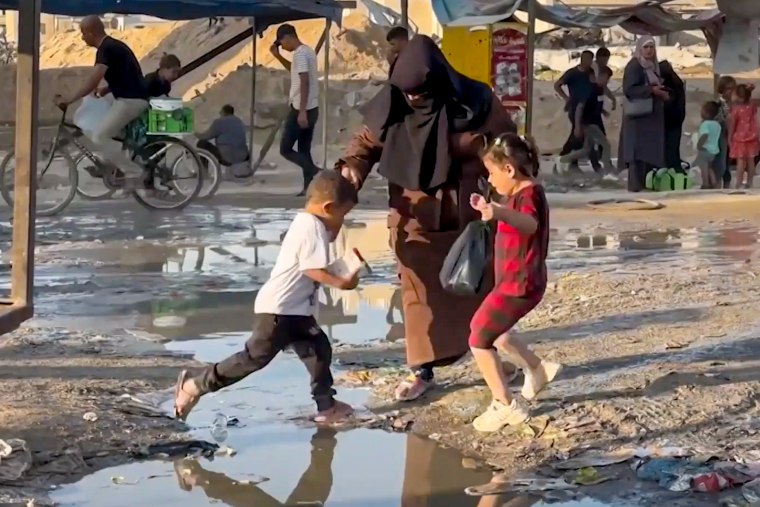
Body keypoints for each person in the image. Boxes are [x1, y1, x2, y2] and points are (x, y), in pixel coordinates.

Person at [337, 35, 517, 401]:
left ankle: (496, 361)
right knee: (418, 296)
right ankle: (421, 371)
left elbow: (508, 145)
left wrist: (506, 186)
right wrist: (353, 169)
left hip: (467, 216)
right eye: (408, 94)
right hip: (412, 216)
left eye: (421, 93)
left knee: (478, 290)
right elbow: (364, 145)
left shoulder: (476, 101)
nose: (414, 100)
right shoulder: (394, 103)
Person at [173, 171, 359, 423]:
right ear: (328, 207)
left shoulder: (309, 223)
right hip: (279, 311)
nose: (342, 221)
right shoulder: (311, 227)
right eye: (343, 214)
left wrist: (334, 233)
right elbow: (311, 269)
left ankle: (326, 407)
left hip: (297, 311)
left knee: (319, 350)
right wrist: (342, 282)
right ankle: (195, 384)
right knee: (253, 358)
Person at [468, 134, 561, 432]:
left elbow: (529, 224)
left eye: (493, 173)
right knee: (499, 334)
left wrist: (498, 211)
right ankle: (537, 368)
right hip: (512, 283)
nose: (491, 181)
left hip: (519, 285)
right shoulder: (514, 197)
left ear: (509, 169)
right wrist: (491, 210)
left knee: (478, 338)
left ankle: (505, 405)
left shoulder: (530, 195)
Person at [55, 16, 149, 186]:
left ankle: (134, 173)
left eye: (83, 33)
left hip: (131, 100)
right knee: (106, 130)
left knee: (99, 136)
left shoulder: (106, 49)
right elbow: (127, 75)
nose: (82, 37)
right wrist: (106, 89)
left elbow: (93, 79)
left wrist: (70, 99)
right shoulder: (112, 46)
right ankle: (115, 165)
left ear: (91, 32)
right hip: (129, 96)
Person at [270, 23, 320, 195]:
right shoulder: (307, 51)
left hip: (301, 107)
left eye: (281, 42)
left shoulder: (300, 54)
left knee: (286, 149)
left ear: (288, 37)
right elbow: (295, 72)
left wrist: (302, 111)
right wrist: (277, 56)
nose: (282, 47)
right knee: (304, 149)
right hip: (312, 106)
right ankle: (309, 188)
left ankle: (316, 172)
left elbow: (304, 81)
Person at [619, 35, 668, 192]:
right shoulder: (635, 66)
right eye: (645, 47)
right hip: (637, 117)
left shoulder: (652, 66)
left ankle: (644, 184)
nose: (648, 51)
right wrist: (651, 90)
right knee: (635, 153)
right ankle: (634, 186)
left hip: (649, 117)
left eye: (651, 47)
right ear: (640, 48)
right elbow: (629, 89)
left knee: (647, 152)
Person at [558, 66, 615, 174]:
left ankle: (563, 160)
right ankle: (608, 171)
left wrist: (603, 111)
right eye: (606, 78)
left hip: (592, 123)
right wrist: (578, 126)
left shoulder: (599, 90)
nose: (607, 82)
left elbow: (594, 105)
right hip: (588, 124)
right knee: (606, 145)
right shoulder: (590, 90)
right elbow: (580, 107)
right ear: (599, 76)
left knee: (587, 149)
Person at [554, 50, 595, 172]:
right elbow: (557, 85)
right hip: (576, 106)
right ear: (582, 59)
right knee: (577, 133)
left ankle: (569, 159)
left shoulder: (590, 72)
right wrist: (566, 98)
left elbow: (594, 85)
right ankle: (566, 158)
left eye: (590, 60)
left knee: (579, 135)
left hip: (587, 107)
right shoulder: (572, 73)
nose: (588, 62)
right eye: (586, 59)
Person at [195, 104, 250, 169]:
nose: (219, 113)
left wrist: (195, 134)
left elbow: (206, 136)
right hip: (243, 157)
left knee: (202, 143)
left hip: (227, 158)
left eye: (221, 112)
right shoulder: (239, 121)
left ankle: (204, 171)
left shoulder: (219, 122)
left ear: (224, 112)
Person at [729, 83, 759, 189]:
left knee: (740, 161)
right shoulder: (751, 106)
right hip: (753, 136)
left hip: (740, 138)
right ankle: (750, 182)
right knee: (751, 161)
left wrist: (730, 137)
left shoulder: (736, 109)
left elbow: (733, 125)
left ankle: (739, 183)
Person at [659, 60, 686, 170]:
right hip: (677, 118)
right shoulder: (676, 80)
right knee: (673, 147)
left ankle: (672, 170)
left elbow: (671, 101)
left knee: (670, 148)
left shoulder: (671, 83)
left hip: (671, 119)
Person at [694, 101, 722, 189]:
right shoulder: (717, 125)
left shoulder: (705, 124)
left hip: (704, 149)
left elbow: (705, 135)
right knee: (710, 167)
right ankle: (714, 182)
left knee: (704, 168)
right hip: (713, 151)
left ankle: (705, 184)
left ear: (706, 113)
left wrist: (699, 144)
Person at [715, 76, 737, 188]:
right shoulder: (720, 103)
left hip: (732, 134)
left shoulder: (734, 102)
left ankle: (727, 183)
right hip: (722, 135)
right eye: (728, 88)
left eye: (733, 88)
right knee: (722, 161)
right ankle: (720, 182)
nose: (731, 91)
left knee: (727, 160)